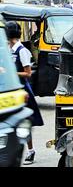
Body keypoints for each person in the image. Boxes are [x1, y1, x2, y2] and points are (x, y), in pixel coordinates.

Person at [6, 21, 44, 165]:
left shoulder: (21, 50)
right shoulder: (8, 49)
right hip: (11, 90)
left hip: (22, 90)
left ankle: (31, 151)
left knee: (24, 122)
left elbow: (28, 73)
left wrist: (12, 72)